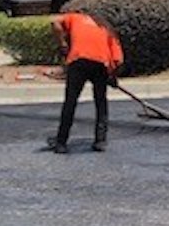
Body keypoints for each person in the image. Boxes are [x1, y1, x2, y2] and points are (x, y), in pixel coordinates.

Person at [47, 11, 123, 153]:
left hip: (78, 60)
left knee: (70, 101)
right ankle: (100, 141)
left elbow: (54, 22)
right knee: (100, 101)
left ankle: (61, 143)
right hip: (101, 64)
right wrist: (112, 76)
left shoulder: (75, 18)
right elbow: (118, 59)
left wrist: (63, 44)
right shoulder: (108, 29)